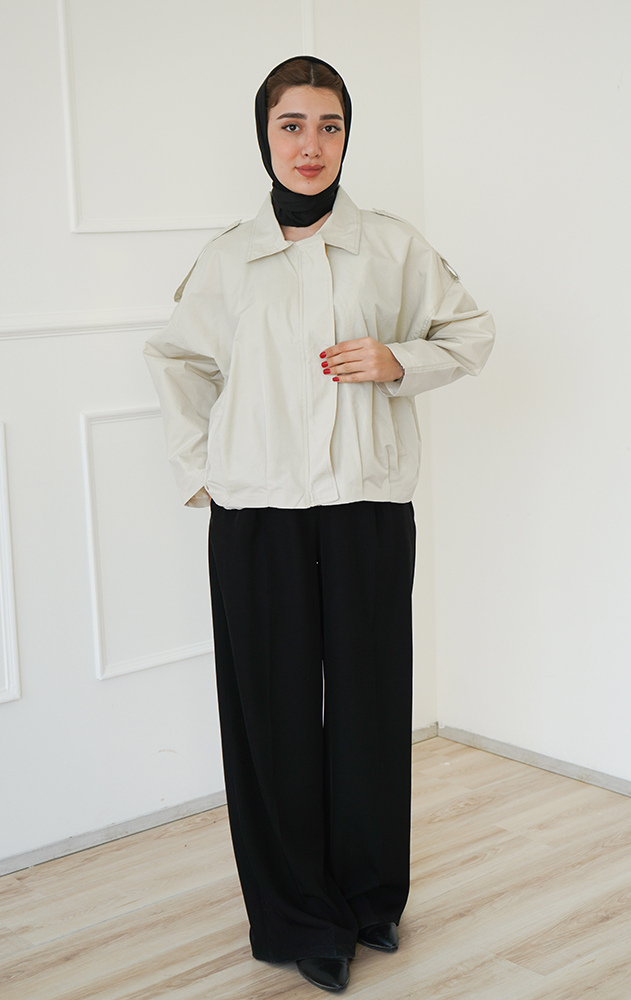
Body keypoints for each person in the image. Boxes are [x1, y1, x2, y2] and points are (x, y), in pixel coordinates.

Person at [144, 55, 495, 994]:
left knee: (372, 714)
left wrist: (398, 360)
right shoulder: (229, 258)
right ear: (264, 135)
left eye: (329, 125)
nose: (311, 145)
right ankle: (300, 914)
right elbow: (177, 362)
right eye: (292, 125)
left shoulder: (391, 246)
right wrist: (204, 475)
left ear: (348, 135)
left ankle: (370, 896)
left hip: (366, 507)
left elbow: (470, 333)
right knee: (274, 721)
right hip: (257, 517)